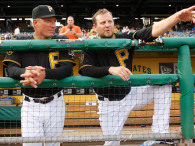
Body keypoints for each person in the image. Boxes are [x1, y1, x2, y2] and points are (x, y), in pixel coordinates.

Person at [79, 6, 195, 145]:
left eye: (110, 22)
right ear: (95, 26)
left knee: (163, 85)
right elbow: (85, 69)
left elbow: (150, 32)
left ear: (114, 24)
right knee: (112, 143)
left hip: (131, 93)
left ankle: (159, 134)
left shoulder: (125, 37)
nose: (107, 25)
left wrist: (177, 17)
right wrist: (110, 69)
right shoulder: (89, 45)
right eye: (103, 23)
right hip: (109, 103)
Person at [3, 5, 75, 146]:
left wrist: (45, 74)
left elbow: (67, 70)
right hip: (31, 104)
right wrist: (25, 73)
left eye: (54, 21)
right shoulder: (20, 40)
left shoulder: (61, 39)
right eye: (48, 21)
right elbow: (11, 69)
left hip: (56, 102)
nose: (53, 25)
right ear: (35, 22)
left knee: (53, 144)